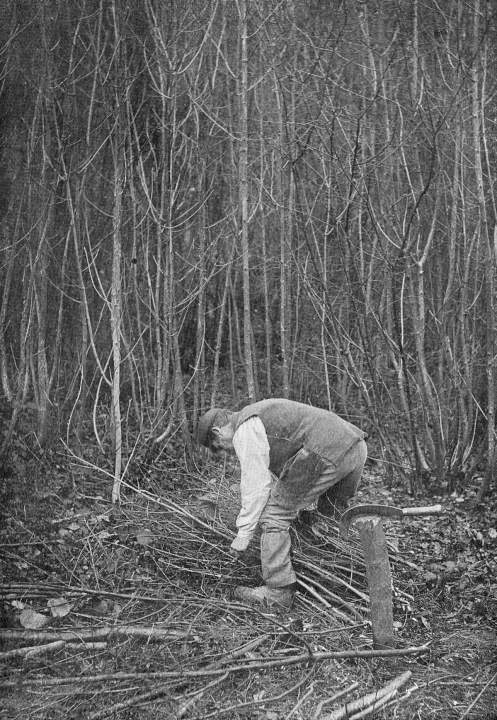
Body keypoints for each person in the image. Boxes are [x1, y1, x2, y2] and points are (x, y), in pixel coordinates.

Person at [197, 398, 367, 610]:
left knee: (274, 517)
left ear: (217, 432)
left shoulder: (244, 428)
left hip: (323, 452)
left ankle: (278, 591)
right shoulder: (260, 415)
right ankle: (345, 573)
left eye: (219, 446)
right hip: (355, 446)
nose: (227, 451)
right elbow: (282, 473)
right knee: (329, 516)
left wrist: (244, 534)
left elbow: (256, 486)